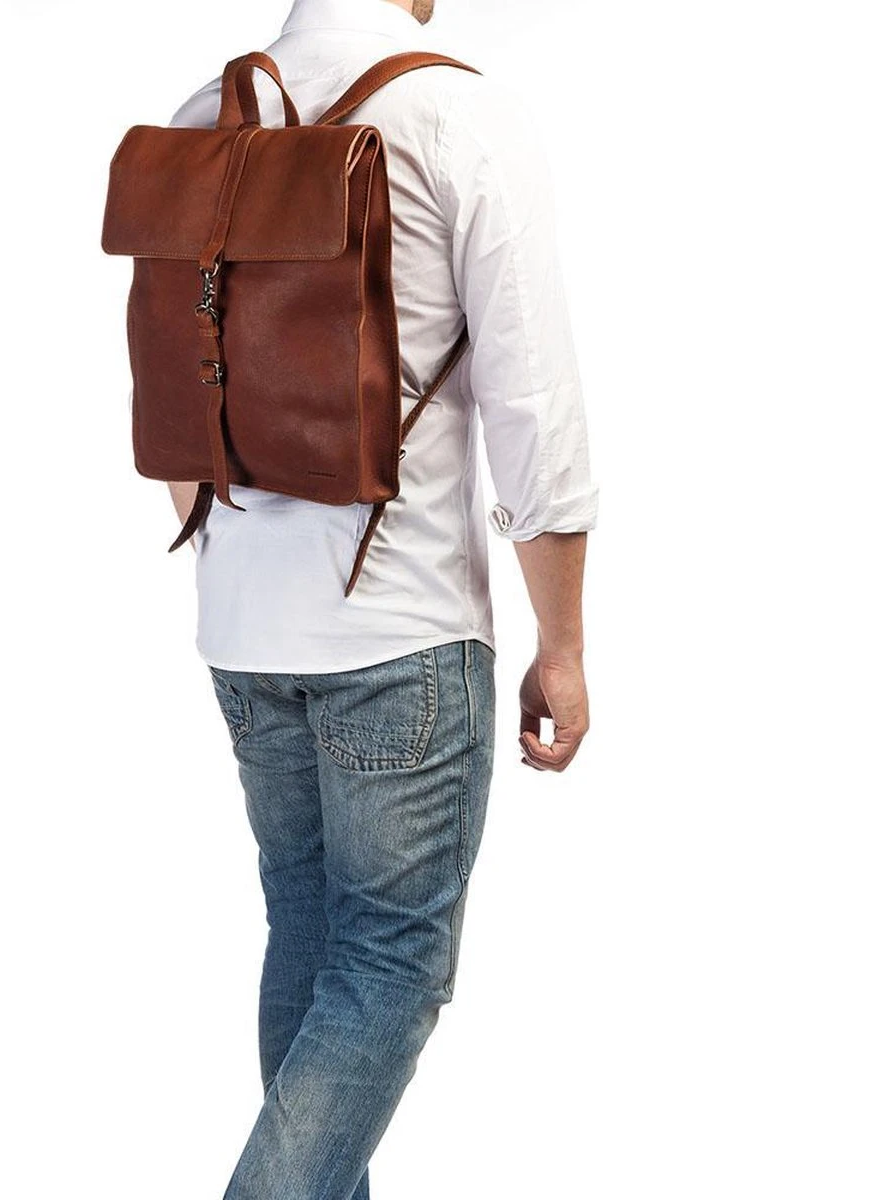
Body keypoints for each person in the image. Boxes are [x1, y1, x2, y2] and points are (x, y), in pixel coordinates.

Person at [162, 1, 598, 1195]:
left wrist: (229, 565)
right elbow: (536, 412)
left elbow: (175, 380)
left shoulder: (207, 117)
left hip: (242, 630)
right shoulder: (457, 113)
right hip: (400, 628)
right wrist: (562, 641)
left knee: (310, 939)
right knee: (389, 969)